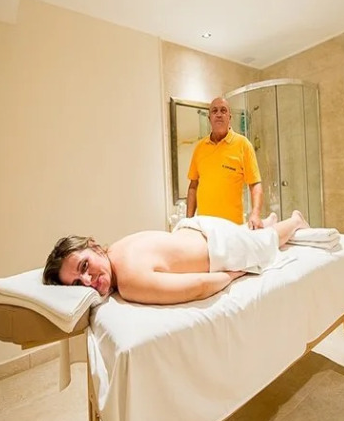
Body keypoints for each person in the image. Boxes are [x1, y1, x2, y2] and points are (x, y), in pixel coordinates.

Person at [42, 210, 310, 305]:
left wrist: (233, 273)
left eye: (84, 266)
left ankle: (294, 221)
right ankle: (263, 224)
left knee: (267, 244)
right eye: (77, 283)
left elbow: (198, 287)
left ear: (94, 246)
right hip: (196, 228)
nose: (88, 281)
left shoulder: (129, 281)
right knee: (249, 236)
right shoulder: (117, 248)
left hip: (218, 244)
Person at [186, 96, 264, 229]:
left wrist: (255, 213)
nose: (219, 114)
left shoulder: (243, 145)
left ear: (229, 117)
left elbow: (255, 184)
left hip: (232, 228)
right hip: (204, 227)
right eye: (214, 111)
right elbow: (193, 186)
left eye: (223, 110)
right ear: (209, 118)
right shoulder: (200, 148)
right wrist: (188, 221)